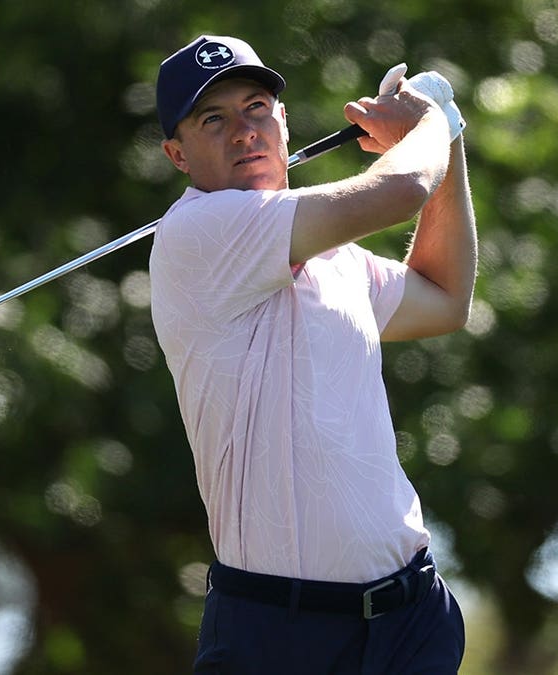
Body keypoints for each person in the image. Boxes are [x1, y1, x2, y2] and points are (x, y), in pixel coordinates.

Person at [148, 34, 476, 674]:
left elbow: (444, 299)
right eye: (213, 119)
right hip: (278, 634)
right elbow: (403, 185)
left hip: (411, 620)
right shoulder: (196, 234)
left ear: (283, 120)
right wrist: (433, 120)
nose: (244, 131)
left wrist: (449, 146)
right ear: (177, 154)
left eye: (257, 107)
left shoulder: (336, 258)